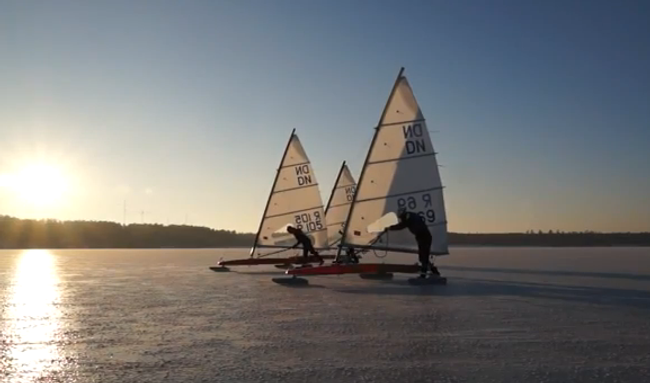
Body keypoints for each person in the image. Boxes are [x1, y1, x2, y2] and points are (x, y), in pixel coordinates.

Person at [386, 208, 440, 278]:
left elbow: (401, 225)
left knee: (424, 257)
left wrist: (390, 228)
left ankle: (424, 274)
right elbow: (403, 224)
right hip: (421, 237)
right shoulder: (410, 216)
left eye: (401, 217)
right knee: (422, 257)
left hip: (424, 237)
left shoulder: (409, 218)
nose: (401, 219)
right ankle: (434, 271)